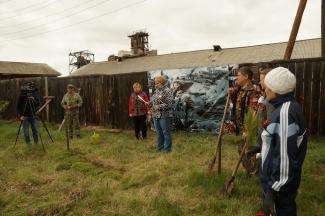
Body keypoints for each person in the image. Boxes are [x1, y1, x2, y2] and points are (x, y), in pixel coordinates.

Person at [258, 67, 307, 216]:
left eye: (268, 86)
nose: (265, 88)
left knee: (283, 210)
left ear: (276, 91)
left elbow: (285, 157)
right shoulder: (287, 107)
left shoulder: (285, 113)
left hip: (280, 185)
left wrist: (275, 188)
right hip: (280, 181)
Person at [228, 66, 263, 173]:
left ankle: (255, 171)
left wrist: (248, 130)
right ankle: (250, 170)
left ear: (246, 76)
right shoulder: (240, 88)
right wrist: (232, 92)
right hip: (242, 127)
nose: (236, 78)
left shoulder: (254, 90)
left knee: (250, 149)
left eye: (238, 75)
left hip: (249, 129)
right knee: (242, 149)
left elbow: (253, 112)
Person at [151, 76, 173, 153]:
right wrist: (149, 103)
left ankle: (167, 150)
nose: (156, 85)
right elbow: (153, 101)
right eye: (155, 83)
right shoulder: (156, 91)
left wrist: (158, 106)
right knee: (159, 132)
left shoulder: (167, 91)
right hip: (156, 115)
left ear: (162, 83)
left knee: (166, 133)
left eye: (157, 83)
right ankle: (159, 148)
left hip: (164, 115)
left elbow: (169, 104)